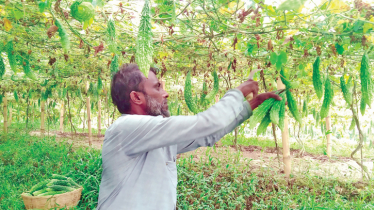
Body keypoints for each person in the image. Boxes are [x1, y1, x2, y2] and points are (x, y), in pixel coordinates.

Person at [97, 63, 282, 209]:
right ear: (137, 98)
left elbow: (208, 134)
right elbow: (208, 123)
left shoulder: (155, 136)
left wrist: (253, 104)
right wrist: (238, 92)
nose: (166, 93)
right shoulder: (126, 128)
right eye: (157, 87)